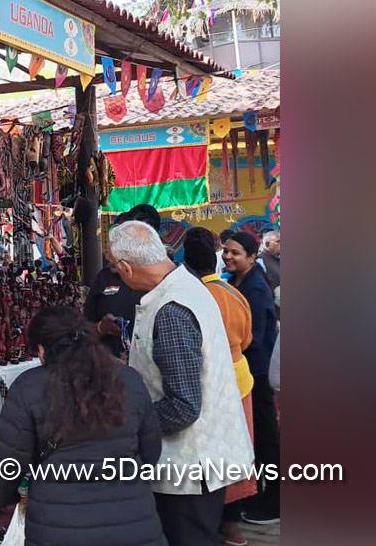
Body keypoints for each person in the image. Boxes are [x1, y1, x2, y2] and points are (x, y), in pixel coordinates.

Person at [109, 221, 253, 545]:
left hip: (190, 463)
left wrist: (122, 423)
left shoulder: (172, 309)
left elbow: (184, 405)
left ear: (125, 267)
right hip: (195, 460)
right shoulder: (183, 286)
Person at [0, 306, 165, 545]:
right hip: (135, 525)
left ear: (42, 349)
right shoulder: (129, 380)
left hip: (57, 528)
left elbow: (7, 467)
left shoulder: (28, 387)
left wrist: (5, 498)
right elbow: (151, 453)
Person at [183, 228, 257, 546]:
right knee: (237, 452)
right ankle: (231, 526)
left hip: (211, 382)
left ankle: (215, 525)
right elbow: (249, 338)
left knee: (210, 455)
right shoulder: (234, 294)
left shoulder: (189, 297)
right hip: (240, 379)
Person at [222, 232, 281, 525]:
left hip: (256, 371)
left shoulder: (256, 288)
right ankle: (259, 494)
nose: (228, 256)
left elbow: (253, 337)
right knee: (255, 437)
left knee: (266, 438)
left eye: (235, 253)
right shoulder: (237, 282)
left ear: (251, 256)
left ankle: (276, 502)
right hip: (247, 371)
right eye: (225, 251)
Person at [87, 204, 161, 358]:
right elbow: (84, 327)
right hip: (111, 370)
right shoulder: (105, 277)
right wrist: (101, 328)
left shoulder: (163, 280)